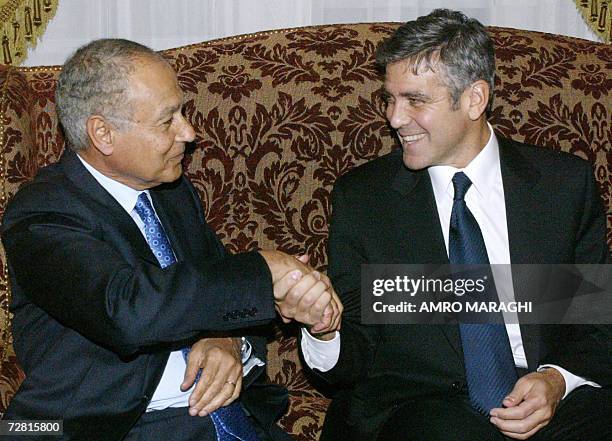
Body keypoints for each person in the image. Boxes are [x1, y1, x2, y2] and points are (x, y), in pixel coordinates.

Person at [0, 38, 341, 441]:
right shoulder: (42, 215)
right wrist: (265, 271)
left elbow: (218, 289)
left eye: (184, 112)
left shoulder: (171, 192)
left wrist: (225, 338)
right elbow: (126, 311)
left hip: (235, 416)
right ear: (103, 134)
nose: (189, 132)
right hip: (115, 428)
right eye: (168, 120)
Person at [299, 9, 611, 441]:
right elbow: (353, 357)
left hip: (549, 400)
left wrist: (557, 380)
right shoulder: (366, 200)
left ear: (474, 99)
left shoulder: (561, 186)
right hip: (421, 408)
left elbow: (595, 324)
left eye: (415, 100)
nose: (394, 118)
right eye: (389, 98)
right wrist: (323, 326)